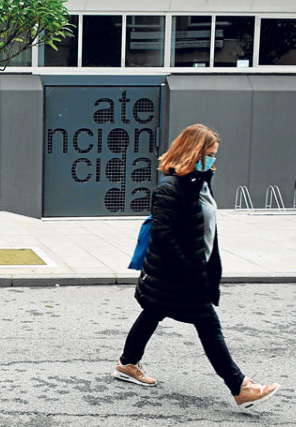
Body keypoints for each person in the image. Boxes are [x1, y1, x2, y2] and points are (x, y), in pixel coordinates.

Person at [113, 123, 280, 411]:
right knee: (208, 325)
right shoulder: (170, 187)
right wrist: (192, 270)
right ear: (194, 152)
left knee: (154, 311)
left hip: (186, 270)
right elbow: (164, 236)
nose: (214, 160)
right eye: (210, 154)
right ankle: (240, 387)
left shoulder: (198, 181)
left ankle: (128, 363)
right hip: (180, 274)